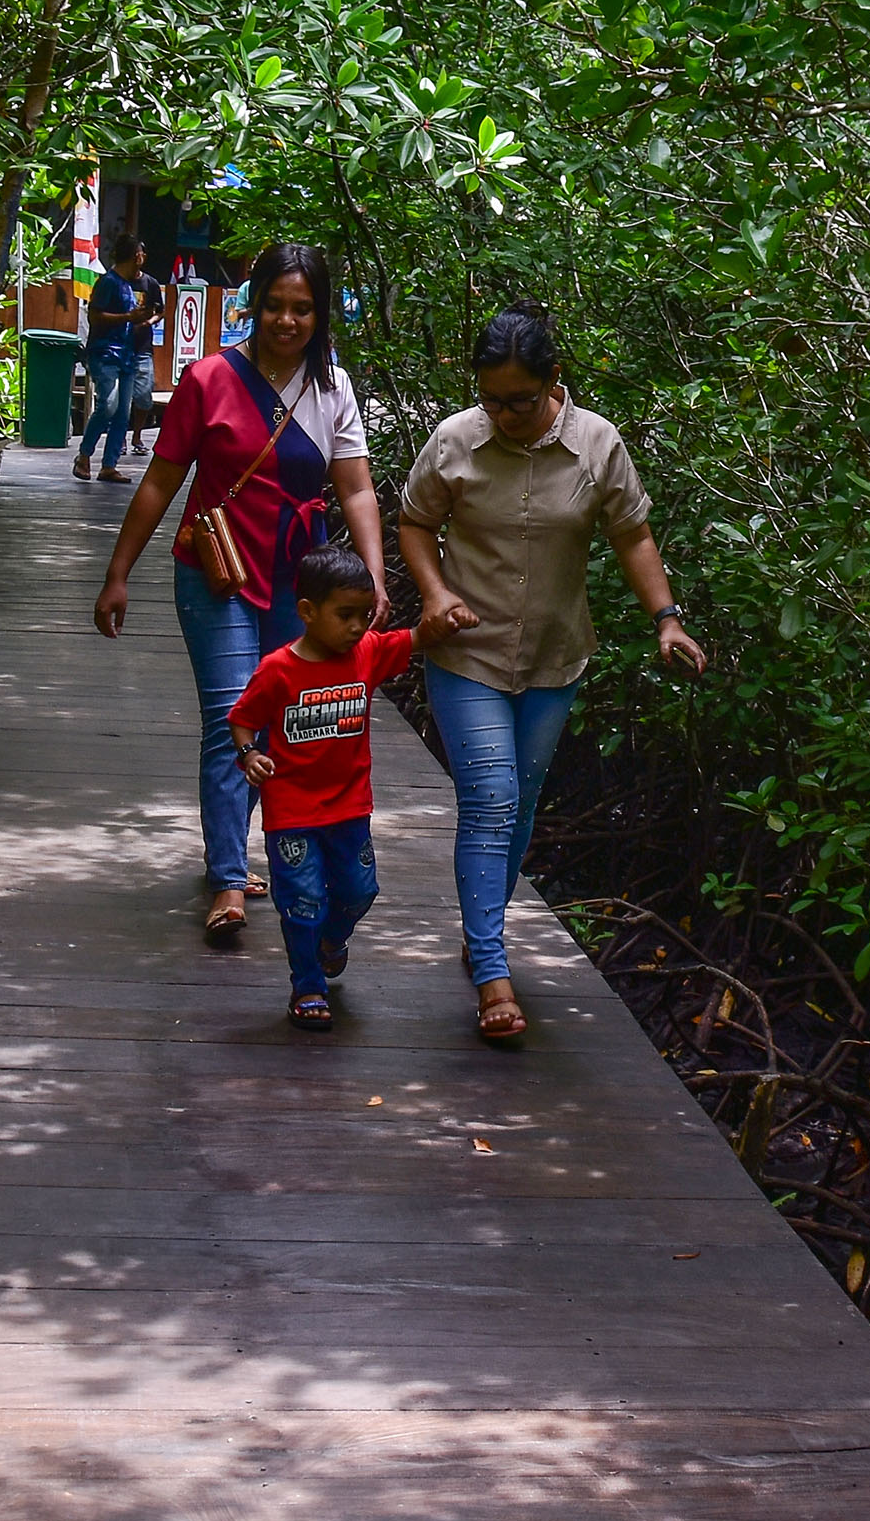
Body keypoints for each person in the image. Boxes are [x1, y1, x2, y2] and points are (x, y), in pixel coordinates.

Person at [392, 306, 704, 1044]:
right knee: (492, 795)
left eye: (519, 400)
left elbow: (632, 533)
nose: (501, 413)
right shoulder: (456, 441)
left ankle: (482, 928)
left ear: (553, 380)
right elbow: (413, 522)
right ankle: (492, 970)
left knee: (521, 804)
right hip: (467, 653)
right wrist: (435, 595)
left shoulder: (597, 445)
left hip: (554, 657)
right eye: (489, 398)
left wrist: (667, 617)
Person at [95, 242, 387, 945]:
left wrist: (372, 578)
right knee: (233, 717)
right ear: (253, 303)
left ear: (320, 314)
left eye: (302, 308)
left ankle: (247, 850)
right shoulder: (208, 378)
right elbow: (162, 480)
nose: (286, 320)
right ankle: (228, 876)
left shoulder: (332, 388)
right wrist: (118, 572)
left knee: (283, 716)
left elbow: (354, 486)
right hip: (216, 570)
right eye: (275, 305)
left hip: (301, 579)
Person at [227, 545, 420, 1032]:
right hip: (292, 809)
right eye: (346, 615)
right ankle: (307, 984)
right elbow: (243, 720)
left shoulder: (367, 653)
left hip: (350, 806)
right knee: (303, 899)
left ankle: (334, 940)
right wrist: (249, 754)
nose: (358, 627)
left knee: (360, 890)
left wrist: (450, 616)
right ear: (308, 613)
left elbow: (419, 638)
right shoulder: (278, 669)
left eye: (364, 614)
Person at [73, 236, 151, 483]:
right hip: (105, 353)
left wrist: (140, 319)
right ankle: (84, 455)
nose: (143, 257)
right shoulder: (108, 282)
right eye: (141, 252)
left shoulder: (129, 285)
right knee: (108, 404)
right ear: (134, 256)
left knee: (122, 413)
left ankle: (109, 465)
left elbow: (127, 318)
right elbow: (95, 317)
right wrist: (128, 317)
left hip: (127, 355)